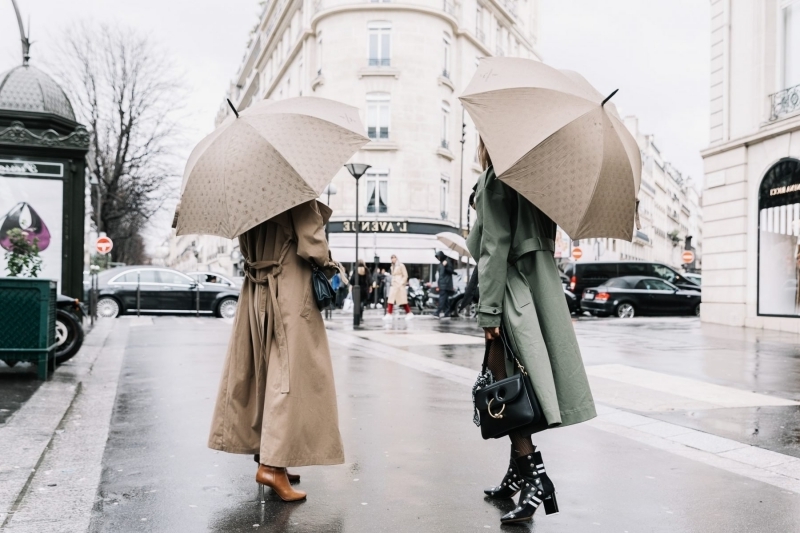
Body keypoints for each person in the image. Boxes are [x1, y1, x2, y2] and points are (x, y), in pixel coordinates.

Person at [467, 138, 596, 525]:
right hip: (539, 289)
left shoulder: (496, 179)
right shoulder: (539, 182)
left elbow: (493, 249)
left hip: (510, 292)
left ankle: (535, 480)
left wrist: (488, 312)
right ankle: (515, 477)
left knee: (503, 391)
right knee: (515, 386)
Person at [207, 200, 344, 502]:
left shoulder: (245, 196)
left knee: (261, 370)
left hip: (256, 288)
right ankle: (272, 467)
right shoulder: (295, 191)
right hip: (289, 287)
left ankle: (268, 453)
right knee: (288, 374)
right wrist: (332, 266)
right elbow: (313, 246)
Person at [383, 254, 414, 321]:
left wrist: (401, 283)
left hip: (399, 285)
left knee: (402, 300)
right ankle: (389, 313)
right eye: (392, 258)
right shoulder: (392, 266)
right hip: (394, 284)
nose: (393, 259)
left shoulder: (401, 265)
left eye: (394, 258)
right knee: (390, 299)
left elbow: (405, 275)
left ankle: (409, 313)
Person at [433, 251, 455, 318]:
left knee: (442, 299)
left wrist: (446, 266)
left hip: (446, 284)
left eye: (439, 256)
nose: (438, 258)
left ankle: (437, 312)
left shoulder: (447, 262)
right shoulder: (440, 263)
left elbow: (451, 271)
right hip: (442, 284)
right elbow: (440, 275)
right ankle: (447, 313)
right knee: (445, 300)